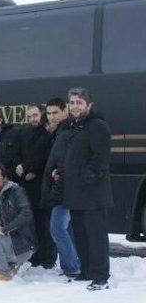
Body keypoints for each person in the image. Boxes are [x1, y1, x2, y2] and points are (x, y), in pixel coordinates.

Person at [62, 87, 112, 290]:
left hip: (93, 192)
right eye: (72, 102)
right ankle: (86, 271)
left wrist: (87, 175)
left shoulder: (97, 126)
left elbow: (101, 158)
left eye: (79, 103)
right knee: (81, 234)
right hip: (76, 192)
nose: (75, 106)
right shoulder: (73, 127)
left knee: (96, 235)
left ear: (89, 105)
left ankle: (100, 276)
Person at [42, 97, 80, 278]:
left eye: (55, 112)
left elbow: (68, 160)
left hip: (63, 188)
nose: (51, 117)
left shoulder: (67, 131)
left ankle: (71, 267)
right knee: (67, 228)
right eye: (48, 113)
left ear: (65, 111)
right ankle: (75, 263)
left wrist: (58, 174)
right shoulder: (59, 131)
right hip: (63, 187)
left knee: (57, 228)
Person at [17, 105, 56, 268]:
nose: (33, 119)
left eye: (35, 115)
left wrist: (29, 167)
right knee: (30, 224)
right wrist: (22, 167)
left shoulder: (48, 135)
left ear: (42, 115)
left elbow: (47, 159)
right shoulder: (24, 133)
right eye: (30, 116)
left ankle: (48, 259)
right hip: (26, 186)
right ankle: (34, 257)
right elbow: (18, 154)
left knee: (43, 225)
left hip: (42, 187)